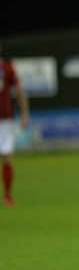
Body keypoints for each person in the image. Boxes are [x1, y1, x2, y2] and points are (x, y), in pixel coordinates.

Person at [0, 43, 30, 207]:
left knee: (7, 157)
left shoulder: (6, 68)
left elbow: (19, 91)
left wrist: (24, 113)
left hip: (4, 119)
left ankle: (7, 196)